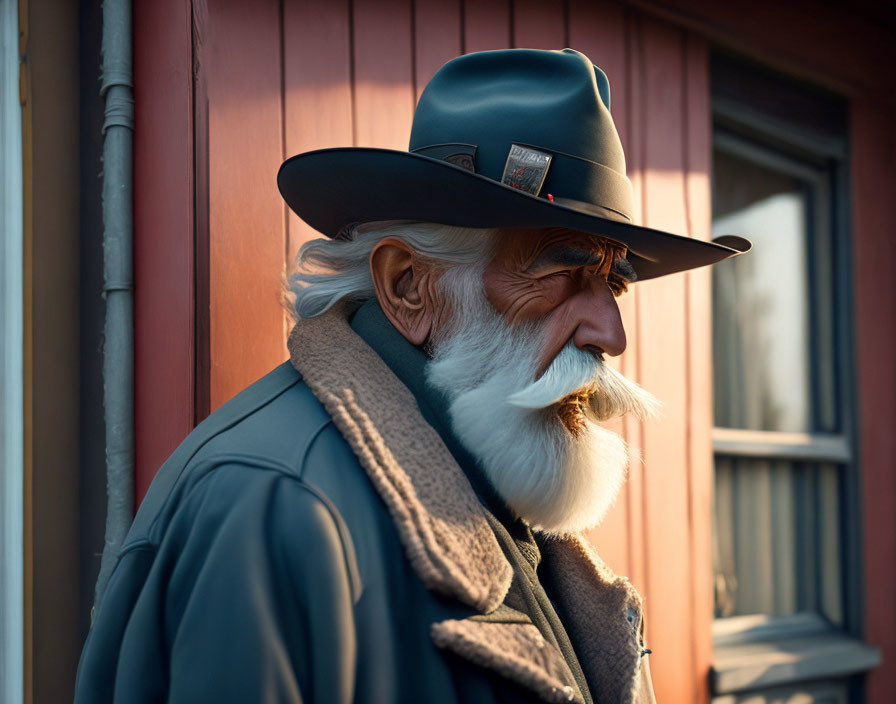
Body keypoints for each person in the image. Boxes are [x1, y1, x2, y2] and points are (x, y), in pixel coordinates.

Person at [75, 48, 749, 704]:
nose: (612, 333)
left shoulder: (492, 472)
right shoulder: (270, 507)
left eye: (612, 285)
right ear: (408, 288)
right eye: (560, 275)